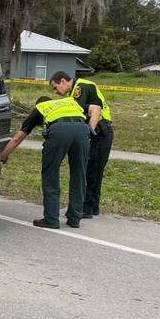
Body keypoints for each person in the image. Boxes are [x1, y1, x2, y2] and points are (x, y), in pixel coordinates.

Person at [0, 94, 90, 228]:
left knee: (50, 174)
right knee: (79, 174)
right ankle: (75, 218)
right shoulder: (69, 101)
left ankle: (51, 219)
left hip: (59, 130)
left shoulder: (40, 107)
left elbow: (17, 139)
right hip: (82, 129)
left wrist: (3, 156)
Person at [50, 71, 113, 218]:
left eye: (55, 87)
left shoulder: (80, 87)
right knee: (95, 171)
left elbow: (79, 112)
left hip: (99, 132)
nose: (55, 92)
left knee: (90, 171)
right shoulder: (78, 89)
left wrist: (88, 134)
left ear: (64, 81)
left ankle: (86, 208)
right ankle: (92, 207)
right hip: (103, 133)